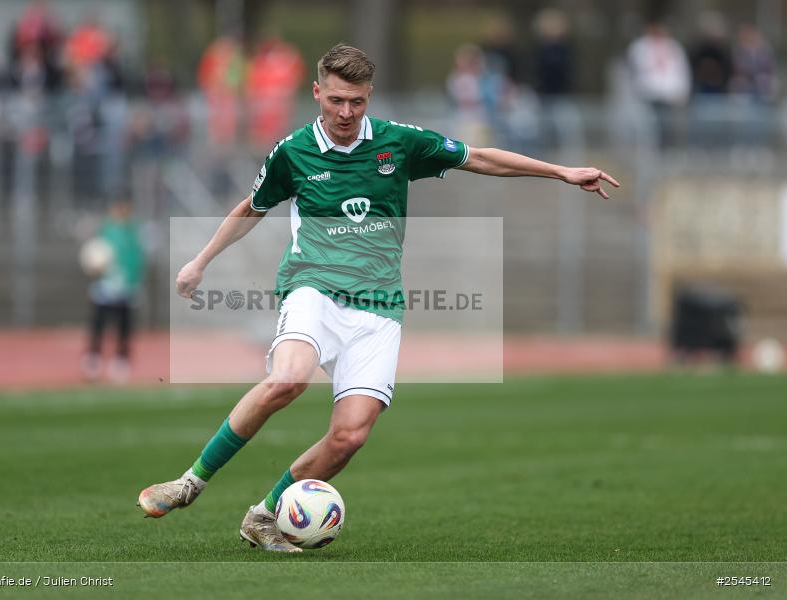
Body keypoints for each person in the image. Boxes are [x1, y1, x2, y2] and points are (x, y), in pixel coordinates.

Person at [137, 44, 619, 552]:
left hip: (379, 305)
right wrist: (200, 261)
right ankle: (190, 481)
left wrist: (561, 172)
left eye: (358, 102)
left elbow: (478, 158)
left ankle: (264, 514)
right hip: (313, 286)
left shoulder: (399, 143)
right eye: (337, 100)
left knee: (350, 436)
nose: (347, 113)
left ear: (370, 97)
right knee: (289, 377)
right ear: (317, 92)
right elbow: (251, 207)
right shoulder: (292, 151)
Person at [81, 201, 146, 384]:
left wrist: (134, 282)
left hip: (127, 288)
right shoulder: (105, 230)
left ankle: (121, 360)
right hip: (105, 287)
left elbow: (138, 259)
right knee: (98, 324)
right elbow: (93, 258)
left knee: (124, 327)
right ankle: (93, 359)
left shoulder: (134, 232)